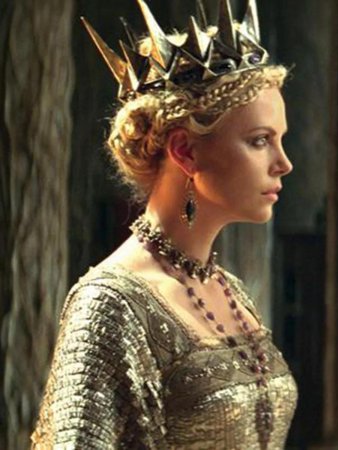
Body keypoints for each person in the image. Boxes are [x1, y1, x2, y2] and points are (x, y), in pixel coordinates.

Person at [31, 0, 298, 448]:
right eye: (259, 141)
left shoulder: (229, 290)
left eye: (280, 141)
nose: (283, 164)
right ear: (185, 152)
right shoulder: (110, 305)